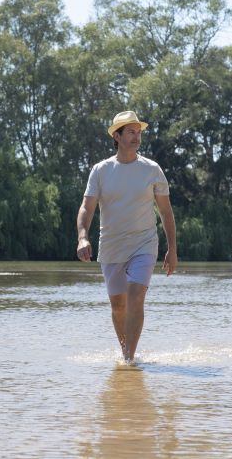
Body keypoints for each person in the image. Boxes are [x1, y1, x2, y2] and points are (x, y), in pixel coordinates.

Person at [76, 110, 177, 365]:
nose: (136, 136)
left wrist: (172, 248)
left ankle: (129, 360)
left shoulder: (152, 170)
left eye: (138, 132)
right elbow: (87, 208)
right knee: (118, 306)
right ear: (117, 136)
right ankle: (126, 352)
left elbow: (165, 212)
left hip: (144, 243)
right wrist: (82, 237)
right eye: (130, 132)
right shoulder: (100, 171)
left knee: (135, 297)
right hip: (110, 246)